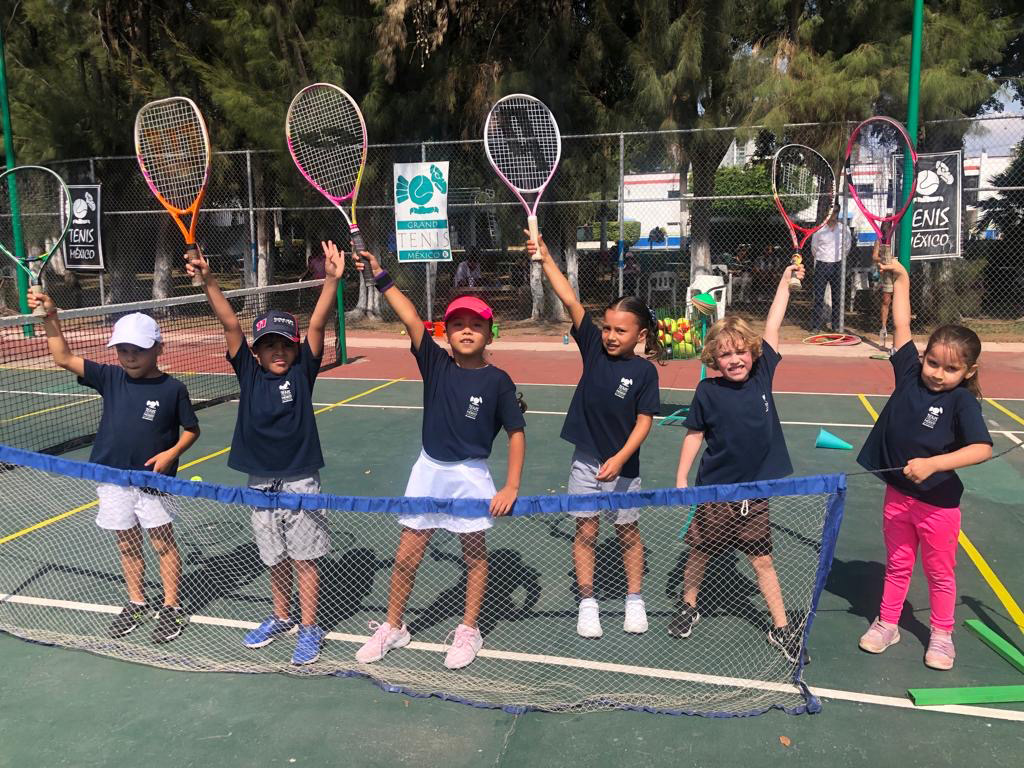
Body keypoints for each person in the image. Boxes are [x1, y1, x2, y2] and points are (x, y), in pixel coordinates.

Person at [348, 245, 526, 670]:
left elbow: (516, 434)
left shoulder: (499, 381)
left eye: (476, 325)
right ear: (445, 332)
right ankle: (394, 626)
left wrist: (512, 485)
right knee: (407, 555)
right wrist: (380, 275)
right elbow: (410, 316)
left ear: (489, 333)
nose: (466, 331)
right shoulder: (435, 363)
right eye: (457, 324)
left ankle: (468, 629)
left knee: (474, 556)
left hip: (470, 476)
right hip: (428, 471)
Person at [186, 242, 341, 665]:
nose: (278, 352)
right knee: (273, 555)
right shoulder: (249, 375)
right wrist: (210, 281)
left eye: (285, 346)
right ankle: (280, 615)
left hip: (300, 480)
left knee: (305, 557)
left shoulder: (302, 373)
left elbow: (317, 325)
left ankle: (309, 626)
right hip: (259, 482)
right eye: (269, 345)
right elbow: (231, 324)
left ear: (294, 350)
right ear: (255, 352)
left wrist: (330, 280)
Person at [27, 292, 199, 644]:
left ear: (158, 349)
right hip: (110, 478)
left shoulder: (173, 389)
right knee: (126, 545)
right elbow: (62, 356)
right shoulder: (109, 377)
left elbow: (192, 430)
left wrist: (171, 453)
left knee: (162, 544)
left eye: (138, 349)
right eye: (123, 350)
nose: (130, 356)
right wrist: (50, 315)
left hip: (154, 483)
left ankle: (171, 607)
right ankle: (137, 602)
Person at [855, 261, 992, 670]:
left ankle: (943, 635)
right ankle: (888, 623)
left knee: (939, 572)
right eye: (934, 363)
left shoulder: (963, 402)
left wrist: (933, 464)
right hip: (899, 496)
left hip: (938, 505)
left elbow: (981, 449)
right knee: (897, 564)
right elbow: (901, 325)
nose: (938, 373)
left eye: (951, 369)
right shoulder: (910, 374)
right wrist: (902, 279)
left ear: (968, 371)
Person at [670, 262, 806, 663]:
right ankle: (688, 606)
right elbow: (694, 435)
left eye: (740, 352)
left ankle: (780, 627)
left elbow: (774, 327)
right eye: (725, 354)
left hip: (755, 492)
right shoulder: (707, 392)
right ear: (713, 357)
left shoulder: (763, 374)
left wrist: (783, 283)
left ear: (752, 352)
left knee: (762, 559)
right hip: (715, 490)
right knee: (700, 552)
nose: (734, 360)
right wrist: (681, 478)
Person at [528, 232, 661, 638]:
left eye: (621, 330)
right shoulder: (592, 348)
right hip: (586, 461)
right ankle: (588, 602)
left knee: (627, 531)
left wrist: (620, 459)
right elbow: (570, 299)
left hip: (623, 466)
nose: (610, 335)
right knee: (585, 530)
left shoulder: (645, 372)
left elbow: (644, 422)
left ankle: (634, 600)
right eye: (607, 328)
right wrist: (546, 258)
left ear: (640, 335)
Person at [809, 211, 851, 331]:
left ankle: (836, 326)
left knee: (837, 297)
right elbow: (814, 248)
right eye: (831, 212)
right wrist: (822, 258)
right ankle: (815, 327)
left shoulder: (844, 229)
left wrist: (839, 259)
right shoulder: (820, 229)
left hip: (838, 264)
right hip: (822, 264)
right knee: (818, 297)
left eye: (836, 212)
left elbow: (847, 247)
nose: (834, 215)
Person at [872, 221, 895, 346]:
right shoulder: (880, 240)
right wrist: (884, 259)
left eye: (890, 225)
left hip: (898, 270)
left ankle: (897, 325)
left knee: (899, 300)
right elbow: (874, 256)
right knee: (886, 300)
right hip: (886, 272)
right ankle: (884, 327)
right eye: (886, 225)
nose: (888, 228)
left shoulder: (898, 238)